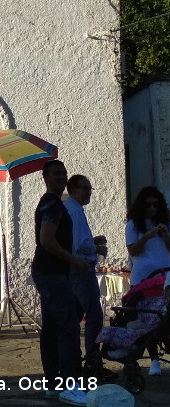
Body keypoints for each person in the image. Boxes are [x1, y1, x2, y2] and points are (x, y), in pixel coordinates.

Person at [31, 160, 89, 406]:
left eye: (64, 173)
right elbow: (47, 240)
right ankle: (69, 385)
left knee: (53, 328)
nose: (62, 177)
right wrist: (74, 259)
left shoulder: (52, 203)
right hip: (53, 273)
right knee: (68, 327)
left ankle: (53, 385)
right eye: (56, 173)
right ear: (44, 177)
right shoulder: (53, 204)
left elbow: (53, 239)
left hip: (48, 271)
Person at [64, 175, 117, 381]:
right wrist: (96, 247)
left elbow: (76, 240)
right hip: (81, 269)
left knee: (75, 316)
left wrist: (91, 241)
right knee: (94, 315)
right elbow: (79, 245)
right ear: (74, 190)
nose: (89, 192)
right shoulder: (75, 211)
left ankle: (74, 360)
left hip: (76, 268)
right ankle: (92, 362)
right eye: (85, 189)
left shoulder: (73, 209)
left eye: (90, 189)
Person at [125, 185, 170, 376]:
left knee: (165, 318)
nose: (152, 209)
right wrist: (147, 236)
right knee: (146, 319)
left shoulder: (165, 223)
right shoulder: (133, 225)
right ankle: (153, 361)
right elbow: (133, 250)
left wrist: (164, 234)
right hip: (143, 278)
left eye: (155, 205)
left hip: (165, 277)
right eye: (149, 205)